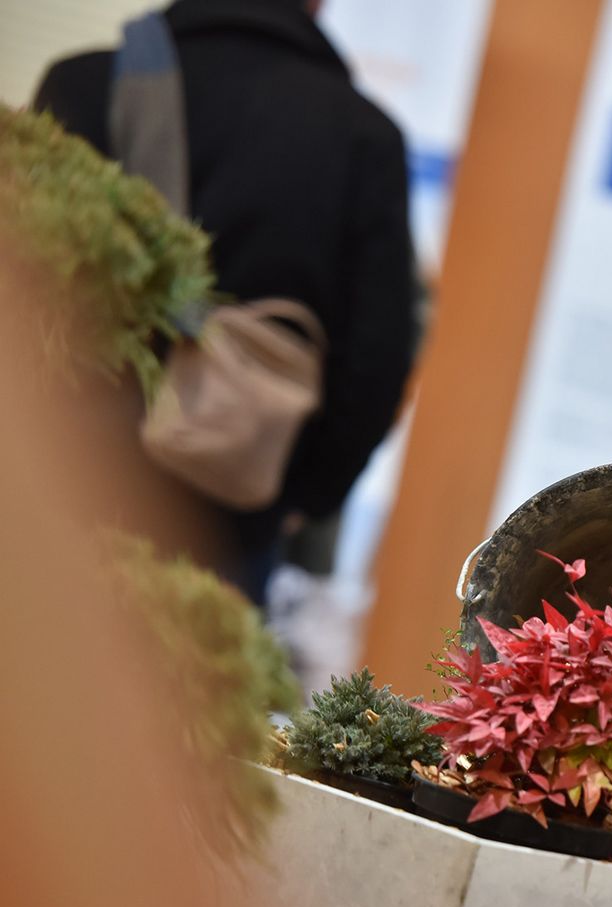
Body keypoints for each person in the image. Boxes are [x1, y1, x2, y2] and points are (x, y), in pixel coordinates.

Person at [32, 0, 416, 605]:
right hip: (227, 514)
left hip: (56, 478)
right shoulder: (363, 137)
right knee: (188, 664)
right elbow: (378, 358)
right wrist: (299, 497)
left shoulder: (84, 82)